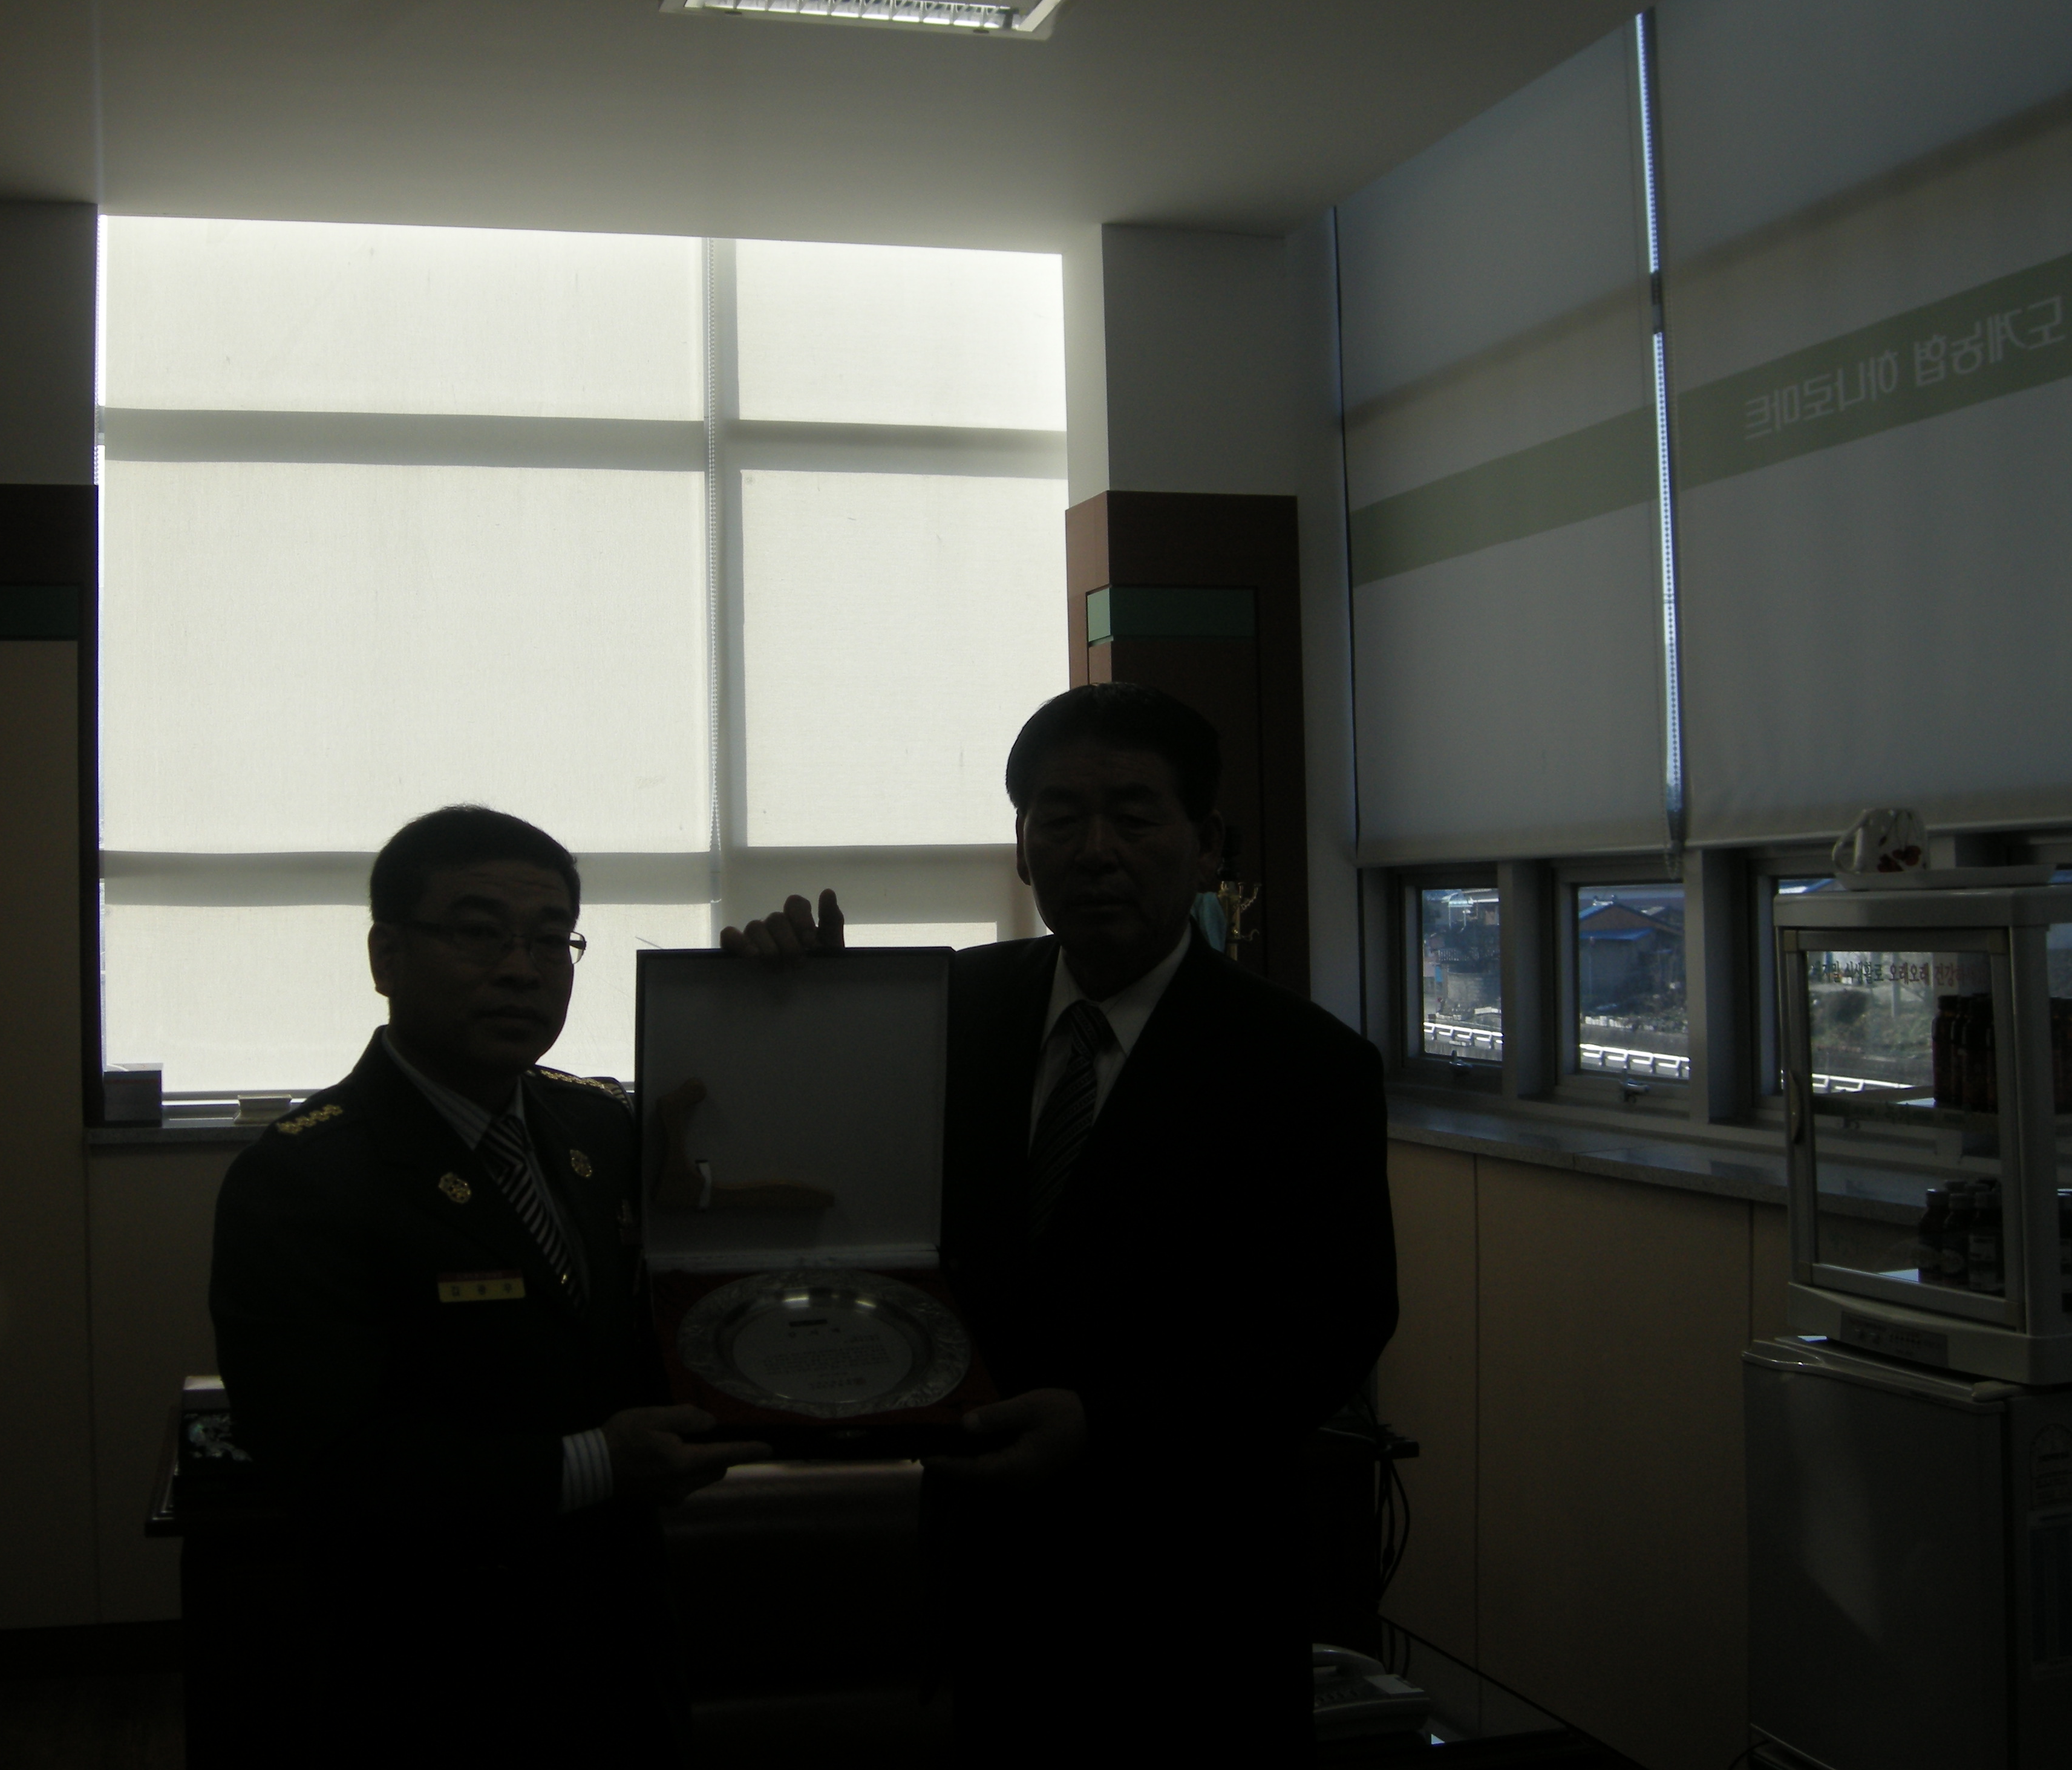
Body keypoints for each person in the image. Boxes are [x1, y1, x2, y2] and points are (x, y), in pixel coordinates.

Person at [723, 682, 1396, 1755]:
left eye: (1134, 817)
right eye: (1060, 818)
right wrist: (799, 1010)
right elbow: (838, 1192)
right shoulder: (946, 1009)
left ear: (1206, 846)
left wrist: (1104, 1426)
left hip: (1191, 1586)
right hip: (983, 1571)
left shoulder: (1305, 1065)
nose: (1095, 852)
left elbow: (1330, 1330)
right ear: (1023, 850)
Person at [211, 805, 767, 1760]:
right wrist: (598, 1465)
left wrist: (785, 998)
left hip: (620, 1636)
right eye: (479, 933)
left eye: (552, 940)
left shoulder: (596, 1127)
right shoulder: (302, 1177)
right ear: (386, 957)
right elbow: (327, 1466)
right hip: (429, 1667)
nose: (522, 969)